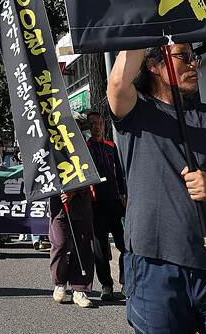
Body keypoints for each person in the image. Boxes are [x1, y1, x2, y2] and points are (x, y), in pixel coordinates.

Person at [107, 44, 206, 334]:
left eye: (195, 57)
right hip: (154, 267)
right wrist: (141, 21)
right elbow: (117, 83)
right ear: (154, 65)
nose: (194, 64)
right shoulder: (136, 112)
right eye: (184, 56)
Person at [85, 111, 127, 301]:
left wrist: (123, 195)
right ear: (88, 127)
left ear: (104, 125)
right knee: (100, 249)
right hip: (95, 204)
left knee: (124, 245)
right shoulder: (84, 148)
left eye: (100, 123)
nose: (97, 126)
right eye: (93, 123)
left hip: (114, 202)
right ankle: (106, 286)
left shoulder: (111, 146)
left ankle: (127, 283)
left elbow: (120, 175)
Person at [49, 186, 96, 308]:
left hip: (81, 205)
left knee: (83, 247)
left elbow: (90, 173)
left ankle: (79, 289)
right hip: (58, 206)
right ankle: (60, 284)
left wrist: (74, 191)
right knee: (60, 245)